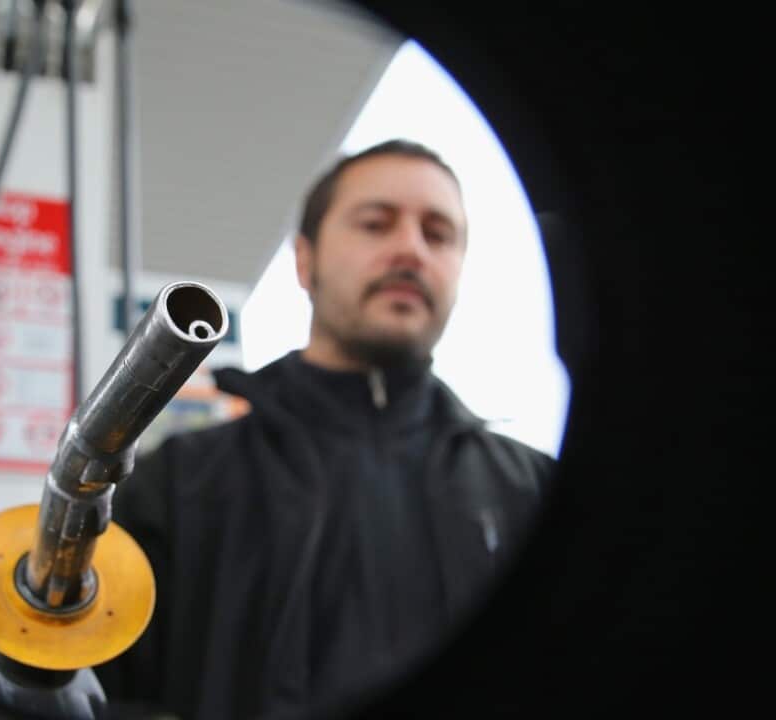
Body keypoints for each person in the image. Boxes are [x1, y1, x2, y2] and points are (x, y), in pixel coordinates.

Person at [94, 139, 555, 720]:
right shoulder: (178, 486)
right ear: (304, 261)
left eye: (438, 234)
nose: (411, 249)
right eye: (375, 224)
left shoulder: (534, 488)